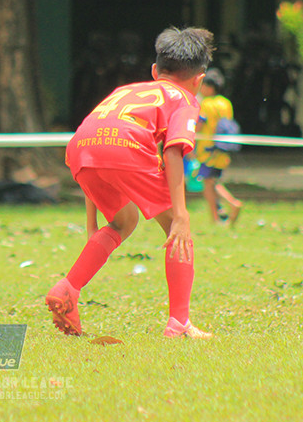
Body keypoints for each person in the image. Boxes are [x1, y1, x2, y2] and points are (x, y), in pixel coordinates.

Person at [47, 26, 214, 339]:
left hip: (80, 149)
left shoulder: (126, 90)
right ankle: (179, 322)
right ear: (199, 80)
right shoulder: (185, 98)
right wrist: (180, 214)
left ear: (155, 71)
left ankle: (67, 287)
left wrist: (92, 223)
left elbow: (98, 147)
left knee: (123, 221)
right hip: (126, 149)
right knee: (178, 233)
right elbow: (175, 150)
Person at [194, 68, 243, 226]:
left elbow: (199, 126)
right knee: (213, 181)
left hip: (208, 150)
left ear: (209, 87)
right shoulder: (225, 103)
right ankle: (221, 212)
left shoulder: (206, 104)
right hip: (223, 149)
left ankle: (226, 208)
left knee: (208, 183)